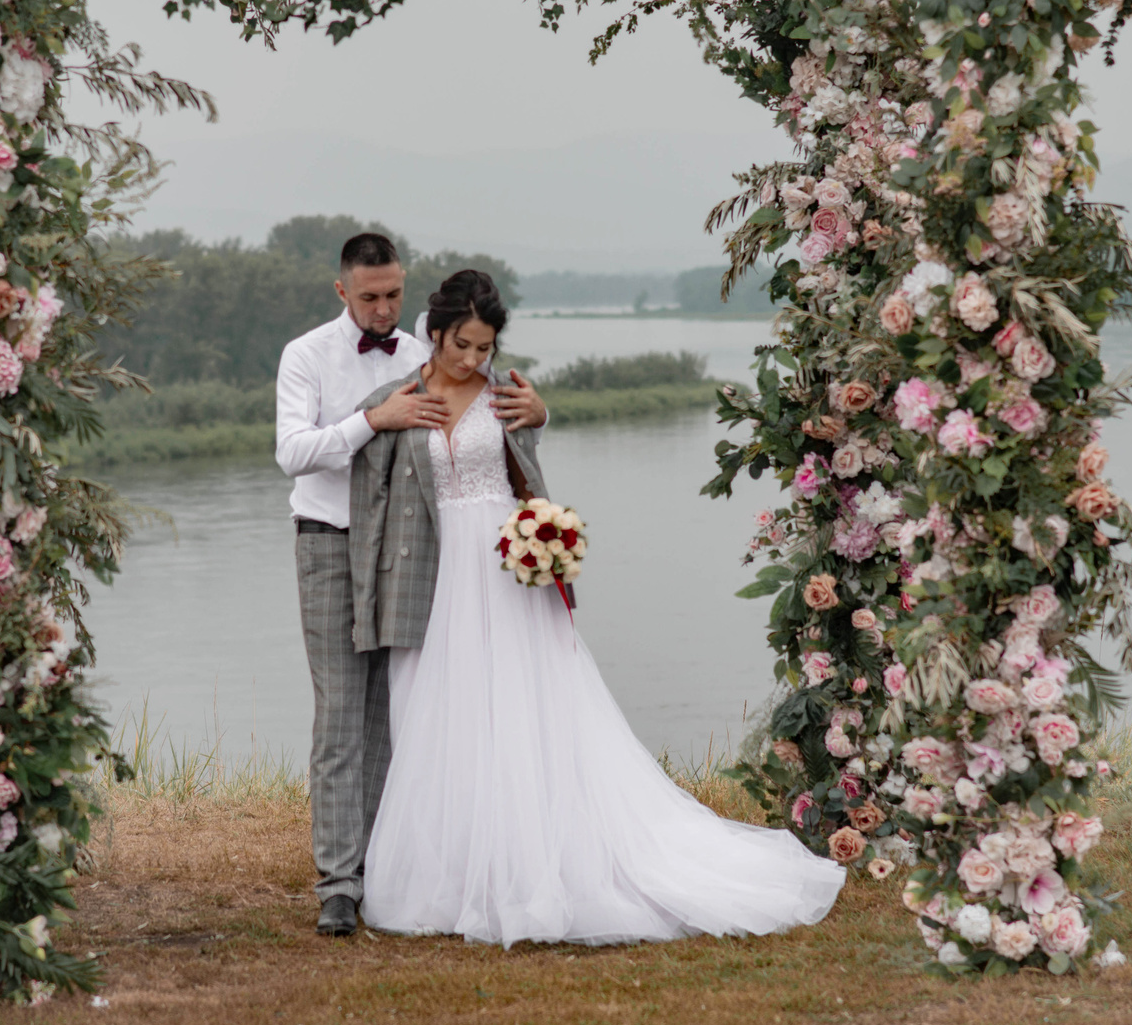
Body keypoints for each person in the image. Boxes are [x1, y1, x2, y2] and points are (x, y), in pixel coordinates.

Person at [351, 270, 846, 947]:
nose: (472, 358)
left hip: (506, 569)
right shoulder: (400, 397)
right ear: (434, 332)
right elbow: (374, 494)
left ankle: (538, 864)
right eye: (462, 344)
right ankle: (450, 872)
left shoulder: (508, 394)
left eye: (484, 345)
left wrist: (543, 418)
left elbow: (526, 458)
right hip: (436, 578)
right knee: (441, 707)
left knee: (528, 706)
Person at [274, 232, 545, 938]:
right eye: (370, 297)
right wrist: (371, 421)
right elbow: (291, 451)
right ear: (342, 291)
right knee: (340, 715)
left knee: (400, 712)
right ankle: (339, 884)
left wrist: (537, 416)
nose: (384, 308)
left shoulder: (427, 353)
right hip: (331, 543)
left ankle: (394, 868)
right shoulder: (306, 355)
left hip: (409, 550)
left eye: (394, 294)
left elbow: (486, 415)